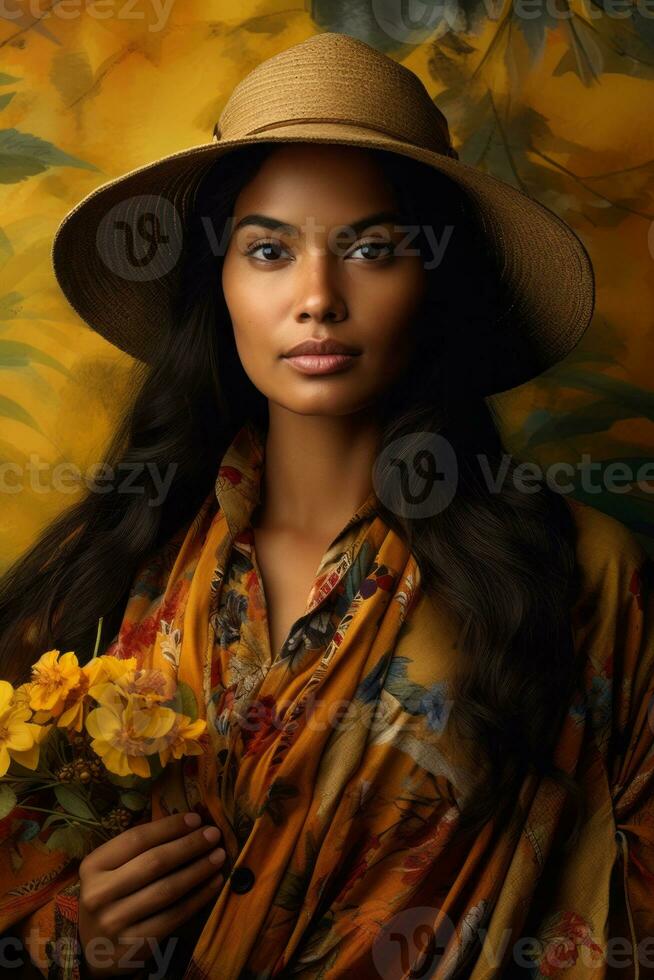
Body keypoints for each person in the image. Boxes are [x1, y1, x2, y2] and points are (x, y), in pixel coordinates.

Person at [0, 30, 652, 980]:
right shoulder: (119, 574)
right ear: (217, 285)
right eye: (268, 250)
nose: (317, 297)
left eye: (373, 249)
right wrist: (74, 942)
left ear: (434, 280)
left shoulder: (578, 575)